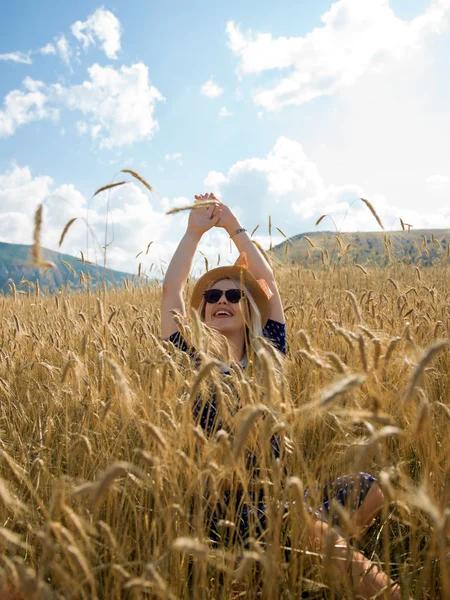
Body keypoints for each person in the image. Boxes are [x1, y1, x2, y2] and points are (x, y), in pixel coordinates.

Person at [161, 193, 407, 599]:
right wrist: (192, 233)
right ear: (202, 313)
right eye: (213, 297)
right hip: (228, 512)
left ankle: (289, 569)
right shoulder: (190, 362)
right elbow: (172, 290)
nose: (223, 300)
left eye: (234, 295)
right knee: (322, 540)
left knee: (372, 487)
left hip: (282, 496)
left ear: (247, 309)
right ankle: (314, 563)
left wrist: (233, 225)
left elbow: (268, 284)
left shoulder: (268, 354)